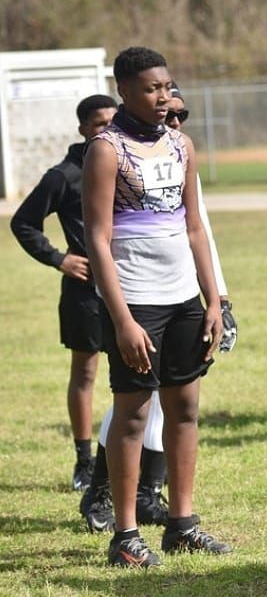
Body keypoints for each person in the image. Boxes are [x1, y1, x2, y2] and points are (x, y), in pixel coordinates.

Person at [82, 46, 230, 567]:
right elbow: (98, 240)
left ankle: (181, 523)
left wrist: (213, 300)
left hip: (184, 298)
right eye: (151, 88)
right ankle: (125, 535)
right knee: (132, 414)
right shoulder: (106, 149)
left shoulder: (181, 145)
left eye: (167, 86)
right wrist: (120, 319)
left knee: (184, 408)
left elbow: (195, 227)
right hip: (135, 301)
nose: (163, 96)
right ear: (124, 89)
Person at [10, 94, 118, 492]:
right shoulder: (65, 174)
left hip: (127, 284)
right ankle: (84, 461)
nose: (106, 128)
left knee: (134, 374)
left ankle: (129, 458)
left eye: (112, 120)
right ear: (83, 130)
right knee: (86, 372)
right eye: (98, 123)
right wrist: (60, 259)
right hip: (84, 292)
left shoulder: (126, 164)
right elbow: (23, 223)